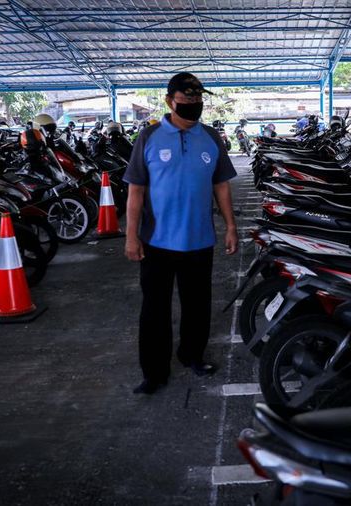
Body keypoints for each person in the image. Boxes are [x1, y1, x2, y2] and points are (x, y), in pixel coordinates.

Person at [123, 72, 238, 395]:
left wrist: (230, 226)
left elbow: (221, 185)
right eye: (186, 102)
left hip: (199, 240)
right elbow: (135, 193)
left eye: (198, 102)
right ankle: (154, 373)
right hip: (156, 242)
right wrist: (131, 236)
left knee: (198, 305)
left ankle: (192, 356)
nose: (193, 107)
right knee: (155, 310)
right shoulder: (149, 137)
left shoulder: (211, 138)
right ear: (169, 102)